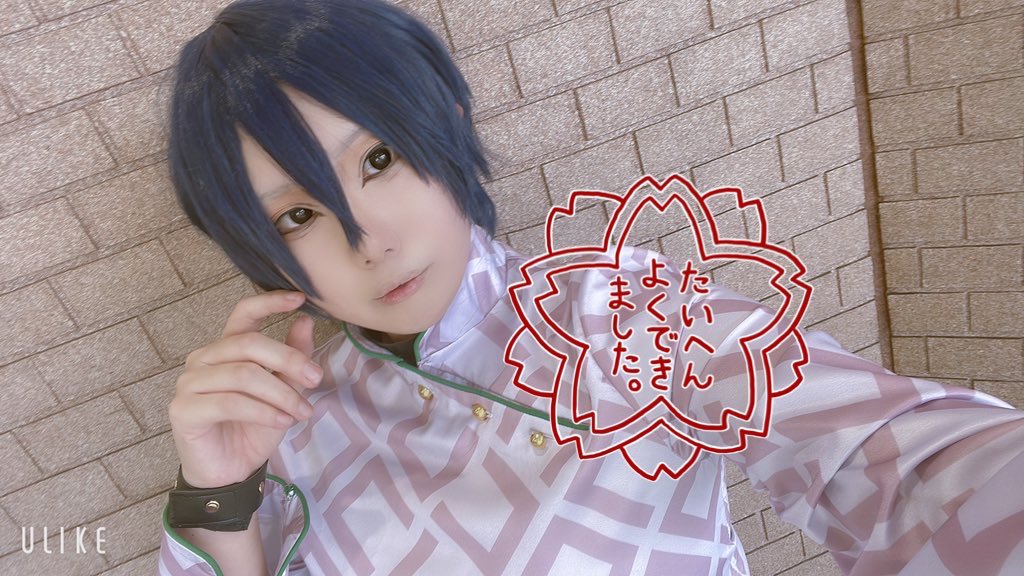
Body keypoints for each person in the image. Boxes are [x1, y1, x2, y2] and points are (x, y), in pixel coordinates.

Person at [155, 1, 1024, 574]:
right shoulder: (291, 430)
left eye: (377, 159)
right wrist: (214, 494)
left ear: (445, 125)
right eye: (296, 216)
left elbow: (885, 452)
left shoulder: (620, 315)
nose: (367, 240)